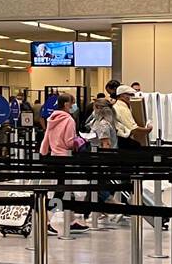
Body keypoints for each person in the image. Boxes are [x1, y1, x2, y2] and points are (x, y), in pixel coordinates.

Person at [39, 88, 88, 234]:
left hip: (54, 157)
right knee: (62, 191)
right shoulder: (69, 120)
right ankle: (47, 219)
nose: (74, 106)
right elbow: (68, 142)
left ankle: (72, 220)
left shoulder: (52, 118)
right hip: (65, 157)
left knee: (65, 189)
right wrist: (81, 141)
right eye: (73, 103)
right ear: (66, 104)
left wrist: (43, 154)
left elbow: (46, 138)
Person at [87, 94, 119, 226]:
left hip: (101, 158)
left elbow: (105, 144)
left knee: (97, 185)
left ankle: (116, 206)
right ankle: (100, 210)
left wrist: (103, 161)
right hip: (103, 157)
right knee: (97, 185)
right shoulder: (106, 122)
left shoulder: (103, 124)